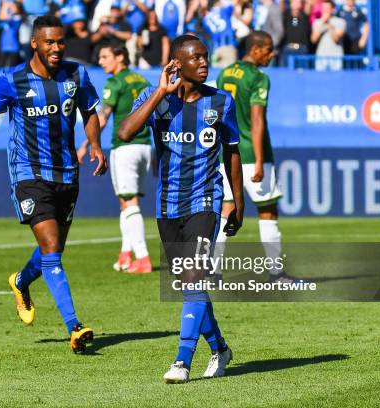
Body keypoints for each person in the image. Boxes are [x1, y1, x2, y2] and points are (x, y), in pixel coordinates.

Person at [0, 16, 107, 353]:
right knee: (50, 249)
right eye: (49, 42)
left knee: (53, 251)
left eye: (61, 42)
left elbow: (90, 111)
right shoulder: (12, 79)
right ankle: (74, 326)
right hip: (29, 173)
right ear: (35, 43)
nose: (57, 48)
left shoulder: (76, 74)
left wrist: (96, 144)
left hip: (67, 172)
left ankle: (20, 280)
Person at [118, 34, 244, 383]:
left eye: (206, 57)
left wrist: (239, 201)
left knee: (194, 277)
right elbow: (126, 131)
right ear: (177, 64)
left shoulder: (221, 102)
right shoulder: (157, 100)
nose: (205, 63)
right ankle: (220, 348)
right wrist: (160, 91)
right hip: (166, 205)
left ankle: (181, 360)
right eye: (197, 58)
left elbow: (232, 151)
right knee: (190, 286)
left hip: (205, 201)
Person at [216, 31, 301, 284]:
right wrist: (260, 160)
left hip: (226, 153)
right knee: (267, 210)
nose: (272, 54)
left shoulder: (225, 73)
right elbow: (256, 120)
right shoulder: (258, 78)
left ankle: (214, 273)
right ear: (255, 50)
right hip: (252, 154)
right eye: (268, 49)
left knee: (226, 210)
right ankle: (276, 274)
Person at [78, 43, 152, 273]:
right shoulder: (142, 81)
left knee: (128, 202)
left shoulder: (115, 82)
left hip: (125, 147)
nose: (101, 62)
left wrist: (84, 145)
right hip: (145, 147)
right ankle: (125, 255)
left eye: (105, 56)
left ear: (120, 57)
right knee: (126, 203)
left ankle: (143, 259)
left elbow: (102, 118)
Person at [311, 0, 345, 71]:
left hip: (336, 56)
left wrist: (329, 25)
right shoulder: (317, 22)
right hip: (321, 56)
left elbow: (336, 39)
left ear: (333, 10)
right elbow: (313, 40)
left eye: (327, 8)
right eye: (323, 8)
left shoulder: (341, 22)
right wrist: (322, 24)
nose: (325, 10)